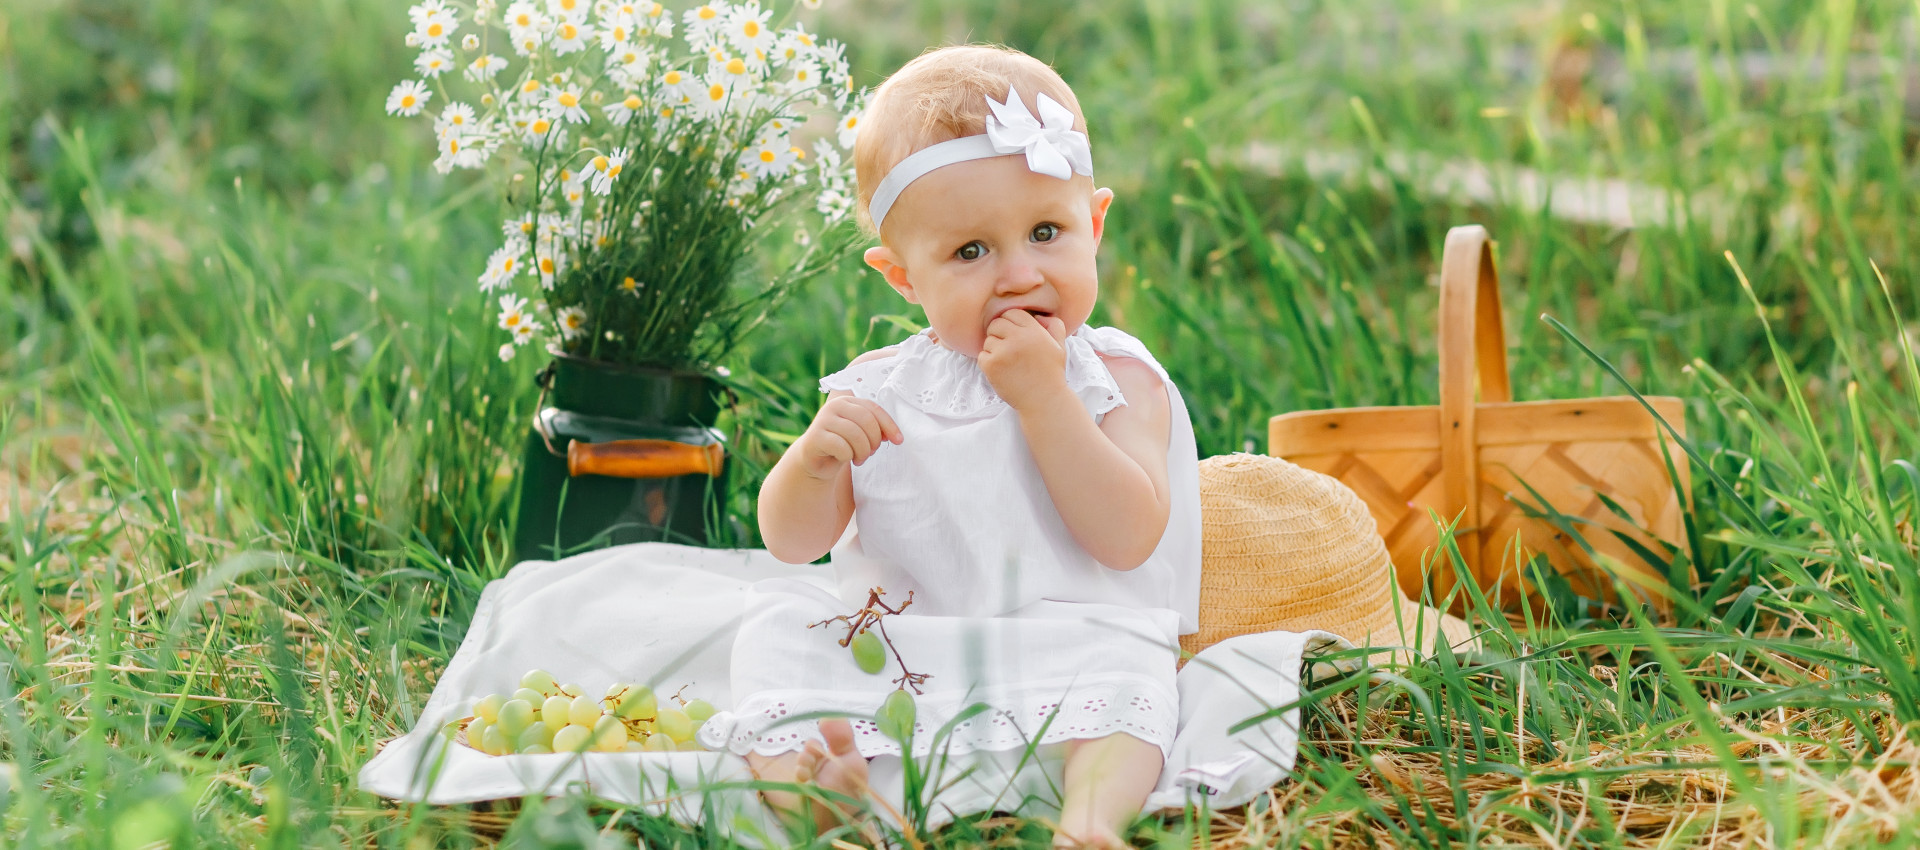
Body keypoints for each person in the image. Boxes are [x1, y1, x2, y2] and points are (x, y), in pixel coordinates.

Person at [697, 44, 1202, 849]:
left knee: (1134, 662)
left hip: (1071, 652)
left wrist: (1045, 401)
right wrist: (815, 461)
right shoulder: (881, 387)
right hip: (907, 654)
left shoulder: (1114, 377)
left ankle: (1089, 819)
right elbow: (791, 544)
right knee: (776, 631)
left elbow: (1128, 536)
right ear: (903, 278)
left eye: (1045, 232)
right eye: (970, 252)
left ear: (1094, 224)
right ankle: (820, 795)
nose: (1016, 274)